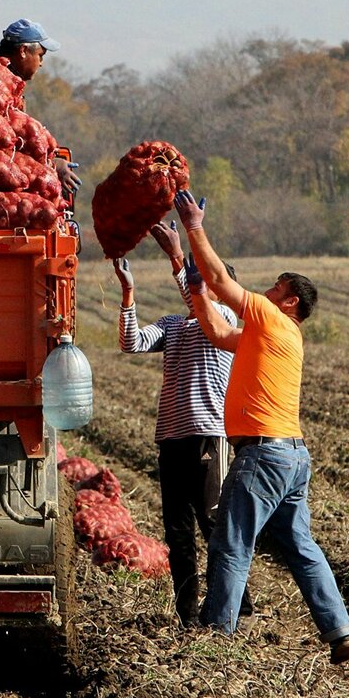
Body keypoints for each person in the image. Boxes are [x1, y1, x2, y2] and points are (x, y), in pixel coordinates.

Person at [174, 189, 349, 664]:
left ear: (289, 300)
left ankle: (216, 636)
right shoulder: (277, 333)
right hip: (292, 456)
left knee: (230, 541)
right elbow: (215, 331)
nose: (267, 291)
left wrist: (194, 226)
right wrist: (195, 291)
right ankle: (338, 629)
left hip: (263, 454)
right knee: (300, 545)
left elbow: (219, 276)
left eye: (276, 287)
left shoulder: (271, 317)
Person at [113, 219, 251, 627]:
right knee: (178, 534)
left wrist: (176, 255)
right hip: (171, 440)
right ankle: (187, 614)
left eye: (205, 279)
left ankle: (237, 606)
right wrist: (128, 292)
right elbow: (130, 342)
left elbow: (200, 304)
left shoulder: (224, 320)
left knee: (215, 526)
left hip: (209, 437)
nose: (198, 284)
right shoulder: (174, 325)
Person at [0, 18, 80, 199]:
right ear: (23, 51)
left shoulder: (11, 85)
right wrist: (51, 164)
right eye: (40, 55)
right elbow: (7, 147)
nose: (41, 63)